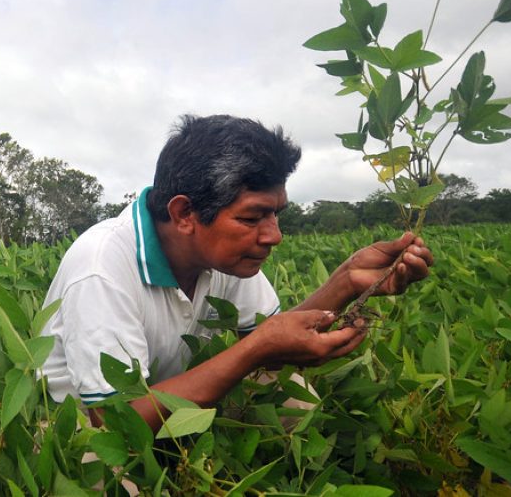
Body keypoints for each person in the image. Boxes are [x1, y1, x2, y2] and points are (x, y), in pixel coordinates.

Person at [38, 114, 434, 431]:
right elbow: (116, 420)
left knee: (289, 394)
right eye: (251, 217)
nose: (273, 236)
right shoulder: (101, 267)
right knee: (116, 476)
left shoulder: (223, 255)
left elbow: (273, 334)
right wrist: (255, 349)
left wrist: (346, 280)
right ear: (184, 214)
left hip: (179, 404)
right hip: (87, 429)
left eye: (276, 213)